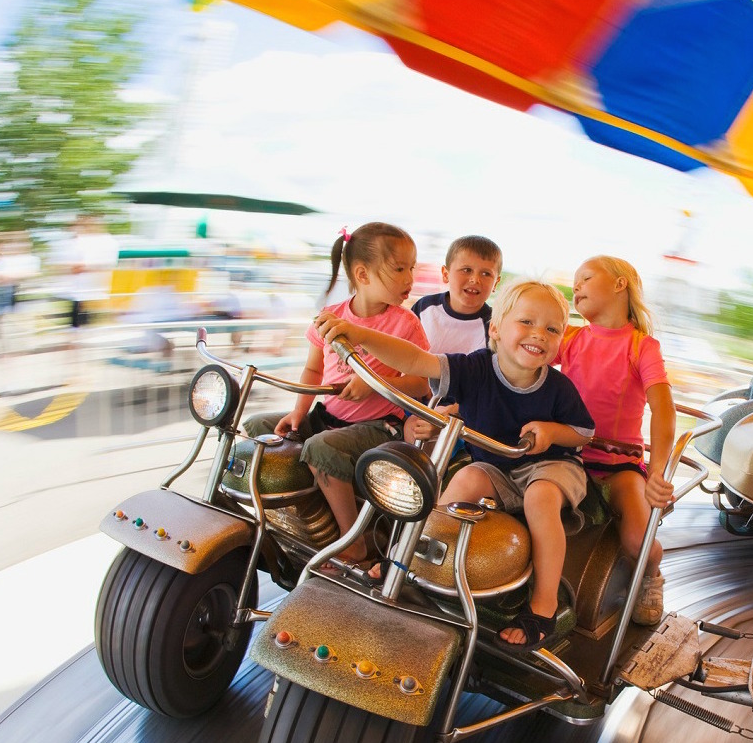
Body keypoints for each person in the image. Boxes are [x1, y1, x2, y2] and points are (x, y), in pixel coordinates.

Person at [314, 280, 594, 652]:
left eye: (551, 328)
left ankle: (544, 603)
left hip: (550, 466)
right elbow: (416, 360)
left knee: (540, 497)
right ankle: (408, 562)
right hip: (497, 466)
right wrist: (360, 334)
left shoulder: (558, 388)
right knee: (462, 480)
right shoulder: (475, 368)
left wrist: (551, 431)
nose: (538, 334)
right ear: (495, 328)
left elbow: (583, 433)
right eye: (526, 322)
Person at [243, 223, 433, 566]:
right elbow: (313, 371)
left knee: (321, 447)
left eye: (412, 268)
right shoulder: (331, 317)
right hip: (328, 416)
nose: (410, 278)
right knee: (258, 427)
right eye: (400, 268)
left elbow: (422, 382)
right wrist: (298, 411)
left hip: (379, 425)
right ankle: (298, 515)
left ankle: (353, 541)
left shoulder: (406, 324)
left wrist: (375, 383)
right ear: (362, 273)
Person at [559, 256, 675, 626]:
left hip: (619, 464)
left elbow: (664, 410)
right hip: (567, 454)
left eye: (586, 278)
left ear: (620, 284)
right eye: (574, 283)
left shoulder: (642, 347)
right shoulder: (571, 337)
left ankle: (649, 574)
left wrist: (656, 471)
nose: (576, 287)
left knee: (637, 541)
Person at [404, 235, 503, 444]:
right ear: (445, 273)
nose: (475, 279)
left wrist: (450, 413)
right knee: (413, 429)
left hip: (461, 410)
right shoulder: (424, 308)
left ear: (496, 283)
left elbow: (486, 386)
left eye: (486, 273)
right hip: (417, 401)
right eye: (466, 270)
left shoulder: (494, 327)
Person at [0, 231, 40, 354]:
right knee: (0, 327)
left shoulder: (9, 262)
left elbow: (18, 276)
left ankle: (18, 348)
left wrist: (3, 278)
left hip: (11, 296)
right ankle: (5, 350)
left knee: (15, 325)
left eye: (0, 248)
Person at [60, 216, 118, 330]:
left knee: (88, 324)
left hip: (93, 290)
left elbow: (105, 264)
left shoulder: (106, 242)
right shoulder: (81, 241)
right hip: (80, 291)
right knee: (78, 324)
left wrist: (83, 267)